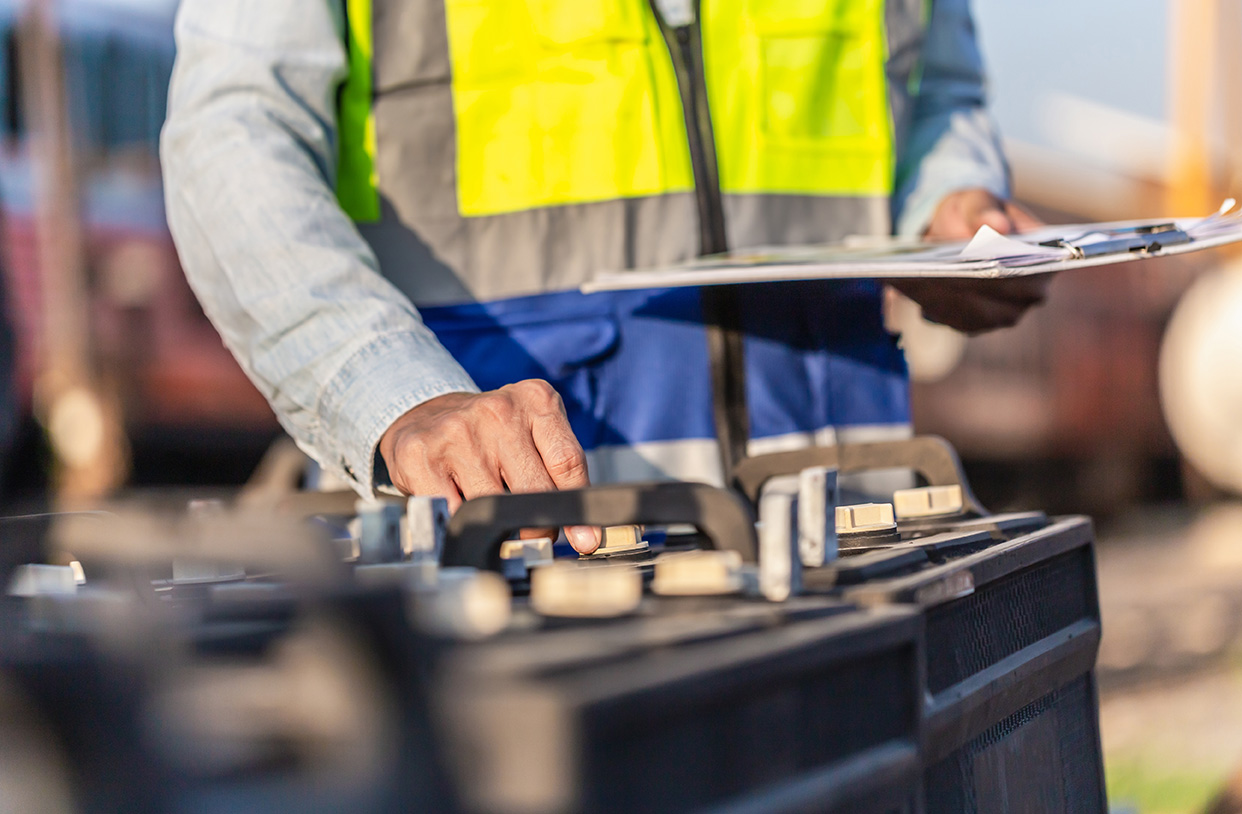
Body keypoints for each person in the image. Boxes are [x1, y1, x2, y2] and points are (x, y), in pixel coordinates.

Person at [161, 0, 1048, 554]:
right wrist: (394, 396)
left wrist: (951, 205)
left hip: (846, 533)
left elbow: (934, 82)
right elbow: (234, 133)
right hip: (513, 560)